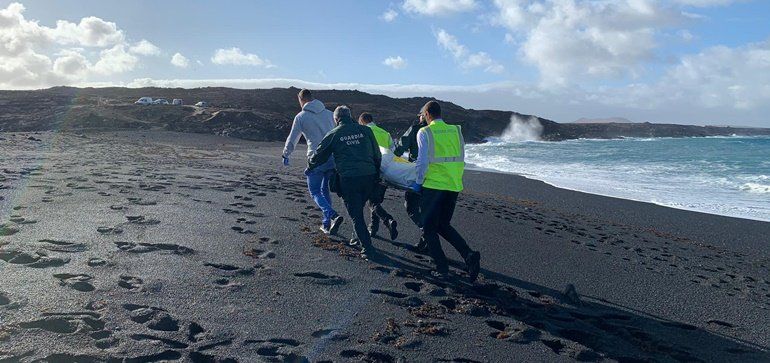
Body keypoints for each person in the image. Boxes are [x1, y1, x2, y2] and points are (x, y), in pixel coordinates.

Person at [411, 100, 481, 281]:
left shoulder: (425, 132)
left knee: (428, 229)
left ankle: (442, 268)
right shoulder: (456, 131)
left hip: (434, 185)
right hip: (453, 185)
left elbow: (422, 162)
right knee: (442, 225)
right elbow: (462, 157)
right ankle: (469, 255)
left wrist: (418, 183)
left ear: (426, 114)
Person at [309, 106, 382, 260]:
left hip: (349, 179)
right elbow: (377, 154)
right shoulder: (366, 131)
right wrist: (376, 174)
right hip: (369, 176)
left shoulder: (334, 134)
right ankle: (357, 238)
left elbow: (320, 155)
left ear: (336, 119)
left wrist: (310, 164)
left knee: (356, 215)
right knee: (359, 210)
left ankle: (368, 250)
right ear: (350, 116)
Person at [283, 89, 344, 235]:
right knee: (325, 190)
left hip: (315, 158)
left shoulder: (301, 117)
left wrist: (286, 154)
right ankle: (326, 223)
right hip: (332, 158)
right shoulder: (330, 114)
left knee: (315, 191)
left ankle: (332, 215)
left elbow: (293, 138)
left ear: (300, 99)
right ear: (313, 98)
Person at [358, 112, 398, 241]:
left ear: (362, 121)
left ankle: (387, 220)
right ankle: (373, 228)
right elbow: (393, 151)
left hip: (370, 170)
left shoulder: (363, 131)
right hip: (384, 171)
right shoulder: (385, 133)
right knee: (375, 200)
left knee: (372, 201)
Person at [395, 114, 429, 251]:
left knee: (411, 207)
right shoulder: (441, 131)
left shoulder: (416, 129)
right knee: (426, 209)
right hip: (438, 176)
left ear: (424, 115)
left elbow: (401, 147)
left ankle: (427, 233)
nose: (419, 118)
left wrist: (390, 159)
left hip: (417, 173)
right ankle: (424, 240)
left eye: (420, 115)